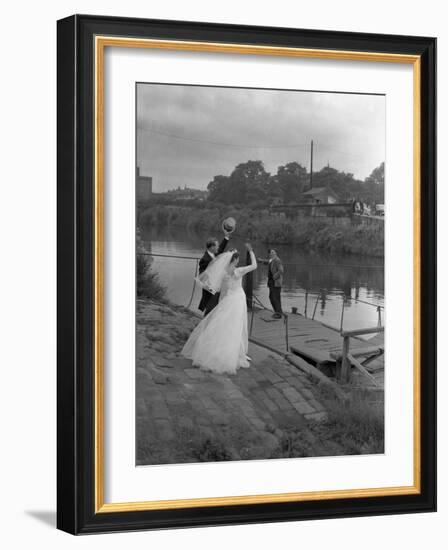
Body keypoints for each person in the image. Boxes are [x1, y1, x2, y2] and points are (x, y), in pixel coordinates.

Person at [182, 243, 257, 374]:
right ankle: (235, 354)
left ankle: (226, 351)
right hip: (238, 300)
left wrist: (222, 304)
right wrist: (251, 252)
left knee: (225, 325)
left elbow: (222, 291)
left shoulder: (223, 273)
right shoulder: (238, 271)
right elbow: (254, 266)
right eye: (237, 259)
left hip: (228, 299)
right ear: (234, 260)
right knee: (237, 326)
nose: (238, 261)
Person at [198, 230, 231, 316]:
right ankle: (204, 325)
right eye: (217, 246)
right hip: (209, 288)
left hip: (215, 287)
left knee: (214, 308)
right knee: (209, 309)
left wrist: (226, 237)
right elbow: (201, 276)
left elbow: (220, 250)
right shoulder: (205, 259)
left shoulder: (214, 254)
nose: (218, 247)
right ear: (212, 247)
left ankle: (207, 324)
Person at [259, 249, 284, 319]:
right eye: (271, 252)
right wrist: (261, 261)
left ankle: (278, 314)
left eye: (273, 252)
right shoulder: (272, 260)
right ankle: (278, 312)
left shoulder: (277, 260)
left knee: (275, 298)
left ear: (276, 253)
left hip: (276, 282)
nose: (271, 253)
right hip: (271, 282)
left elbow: (281, 270)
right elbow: (268, 262)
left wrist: (274, 277)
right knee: (272, 297)